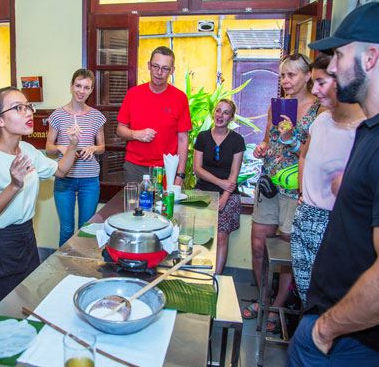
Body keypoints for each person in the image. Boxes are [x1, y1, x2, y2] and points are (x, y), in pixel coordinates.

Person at [287, 1, 379, 367]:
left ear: (370, 57)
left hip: (353, 341)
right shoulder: (378, 129)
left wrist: (325, 330)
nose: (333, 67)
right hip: (342, 327)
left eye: (339, 55)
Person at [0, 87, 79, 312]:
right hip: (0, 245)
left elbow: (60, 171)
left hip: (27, 238)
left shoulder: (28, 150)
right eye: (18, 108)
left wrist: (73, 145)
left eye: (28, 106)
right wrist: (14, 185)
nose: (29, 113)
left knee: (25, 305)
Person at [243, 52, 320, 333]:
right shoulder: (276, 106)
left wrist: (291, 138)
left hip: (296, 190)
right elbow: (267, 141)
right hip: (269, 186)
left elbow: (311, 151)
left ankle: (277, 306)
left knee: (286, 254)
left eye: (292, 75)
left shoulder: (318, 110)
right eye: (283, 75)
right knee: (258, 245)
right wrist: (263, 147)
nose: (285, 80)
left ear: (308, 75)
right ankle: (262, 300)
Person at [290, 54, 364, 305]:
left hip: (333, 223)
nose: (315, 90)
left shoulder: (363, 130)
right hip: (304, 217)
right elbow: (303, 155)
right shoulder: (320, 121)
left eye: (320, 82)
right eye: (313, 83)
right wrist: (302, 192)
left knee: (329, 300)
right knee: (306, 297)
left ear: (341, 81)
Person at [47, 69, 106, 246]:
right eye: (78, 86)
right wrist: (60, 147)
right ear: (71, 86)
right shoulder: (57, 115)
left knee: (86, 229)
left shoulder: (96, 116)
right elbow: (48, 148)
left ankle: (84, 269)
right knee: (66, 229)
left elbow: (102, 147)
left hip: (89, 180)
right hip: (64, 179)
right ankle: (62, 270)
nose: (81, 91)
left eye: (86, 87)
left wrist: (93, 148)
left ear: (91, 90)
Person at [117, 46, 191, 185]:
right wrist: (136, 134)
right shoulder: (133, 94)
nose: (159, 72)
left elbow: (183, 139)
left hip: (166, 168)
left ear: (172, 70)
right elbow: (120, 129)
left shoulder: (180, 98)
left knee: (164, 207)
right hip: (135, 167)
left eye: (165, 68)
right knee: (134, 206)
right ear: (149, 66)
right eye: (155, 66)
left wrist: (180, 175)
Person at [193, 99, 245, 274]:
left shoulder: (237, 140)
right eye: (218, 110)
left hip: (228, 195)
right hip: (203, 192)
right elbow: (197, 169)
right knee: (200, 234)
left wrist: (223, 197)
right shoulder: (202, 137)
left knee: (222, 236)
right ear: (213, 112)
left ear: (231, 117)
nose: (220, 115)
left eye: (226, 112)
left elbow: (233, 175)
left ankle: (216, 276)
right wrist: (220, 183)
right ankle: (200, 273)